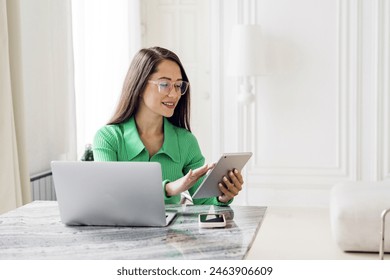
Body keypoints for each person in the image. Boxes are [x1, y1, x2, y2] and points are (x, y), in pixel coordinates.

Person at [93, 46, 244, 205]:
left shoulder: (186, 141)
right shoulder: (108, 138)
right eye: (164, 84)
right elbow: (108, 194)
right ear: (139, 86)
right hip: (121, 229)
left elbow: (205, 201)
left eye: (178, 85)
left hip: (170, 230)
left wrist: (223, 196)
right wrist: (169, 189)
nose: (174, 94)